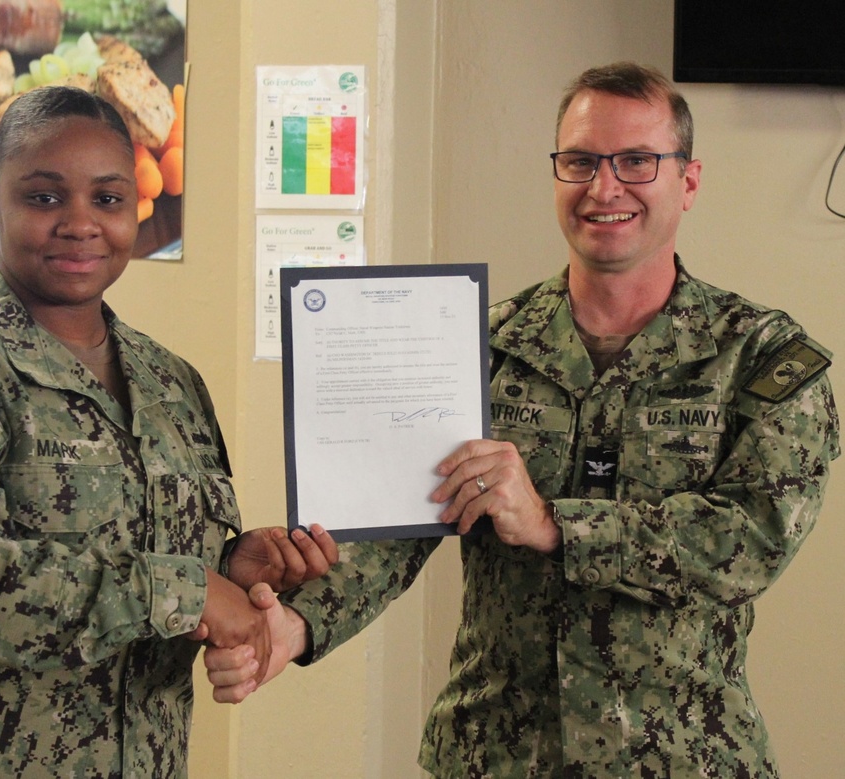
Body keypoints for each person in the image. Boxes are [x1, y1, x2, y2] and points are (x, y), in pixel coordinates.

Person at [205, 62, 840, 777]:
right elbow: (394, 530)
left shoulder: (759, 357)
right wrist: (295, 624)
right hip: (495, 753)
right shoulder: (473, 346)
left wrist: (555, 524)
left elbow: (751, 538)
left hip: (682, 756)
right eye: (580, 162)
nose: (605, 188)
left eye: (637, 161)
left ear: (687, 181)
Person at [0, 86, 336, 778]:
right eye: (45, 197)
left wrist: (232, 566)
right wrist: (185, 590)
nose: (80, 223)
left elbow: (154, 554)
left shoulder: (173, 383)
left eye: (107, 199)